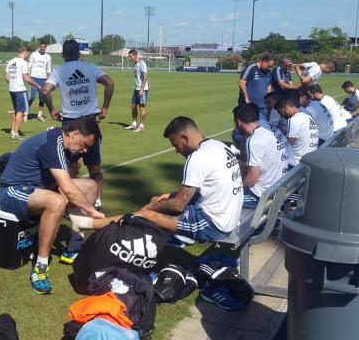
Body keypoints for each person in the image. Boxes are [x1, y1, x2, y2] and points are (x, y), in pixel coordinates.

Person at [0, 117, 105, 294]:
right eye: (84, 145)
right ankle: (40, 267)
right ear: (75, 133)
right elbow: (68, 189)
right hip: (12, 190)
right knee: (57, 201)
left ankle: (73, 249)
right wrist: (92, 212)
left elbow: (72, 179)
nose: (84, 150)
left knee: (91, 186)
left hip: (41, 189)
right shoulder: (52, 143)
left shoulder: (66, 143)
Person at [114, 116, 243, 245]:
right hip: (230, 217)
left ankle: (113, 231)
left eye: (176, 145)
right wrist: (171, 195)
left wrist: (151, 207)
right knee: (163, 204)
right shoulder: (219, 145)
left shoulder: (197, 157)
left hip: (215, 225)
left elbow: (178, 205)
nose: (176, 150)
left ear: (185, 138)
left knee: (149, 214)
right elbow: (210, 187)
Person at [42, 39, 115, 263]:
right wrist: (105, 107)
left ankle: (67, 203)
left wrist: (52, 109)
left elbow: (45, 90)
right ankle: (97, 203)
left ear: (63, 54)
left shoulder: (58, 71)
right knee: (95, 167)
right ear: (80, 54)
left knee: (68, 168)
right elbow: (110, 83)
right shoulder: (90, 68)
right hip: (90, 123)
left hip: (71, 125)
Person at [233, 104, 290, 209]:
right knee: (239, 167)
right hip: (277, 186)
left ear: (239, 122)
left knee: (224, 198)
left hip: (261, 195)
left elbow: (252, 179)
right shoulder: (267, 133)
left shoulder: (253, 140)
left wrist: (239, 187)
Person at [5, 46, 39, 140]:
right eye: (29, 54)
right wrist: (37, 85)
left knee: (17, 110)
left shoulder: (11, 61)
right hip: (20, 90)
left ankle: (13, 130)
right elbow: (26, 78)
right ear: (25, 52)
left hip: (12, 90)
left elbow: (6, 77)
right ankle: (15, 133)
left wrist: (12, 83)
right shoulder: (23, 62)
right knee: (21, 111)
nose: (29, 56)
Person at [275, 95, 319, 162]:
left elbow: (288, 145)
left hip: (299, 161)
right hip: (311, 156)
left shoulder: (294, 120)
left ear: (285, 107)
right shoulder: (307, 117)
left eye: (280, 112)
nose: (281, 115)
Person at [238, 52, 275, 118]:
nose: (269, 68)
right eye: (269, 66)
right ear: (264, 61)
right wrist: (246, 99)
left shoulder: (269, 72)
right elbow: (241, 82)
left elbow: (269, 86)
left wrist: (269, 100)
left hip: (264, 108)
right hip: (250, 107)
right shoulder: (251, 69)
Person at [27, 41, 52, 122]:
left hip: (43, 80)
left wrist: (50, 80)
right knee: (32, 97)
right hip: (34, 78)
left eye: (43, 46)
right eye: (41, 46)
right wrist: (28, 77)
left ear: (46, 47)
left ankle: (40, 115)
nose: (42, 48)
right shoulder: (34, 54)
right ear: (39, 47)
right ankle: (25, 113)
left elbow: (48, 69)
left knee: (42, 99)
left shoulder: (48, 57)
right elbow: (29, 65)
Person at [124, 49, 149, 132]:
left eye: (130, 56)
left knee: (141, 107)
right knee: (133, 106)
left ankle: (141, 126)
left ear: (135, 56)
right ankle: (134, 124)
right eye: (129, 56)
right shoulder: (135, 65)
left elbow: (145, 76)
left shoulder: (142, 63)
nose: (129, 58)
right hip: (136, 89)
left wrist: (142, 89)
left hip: (143, 89)